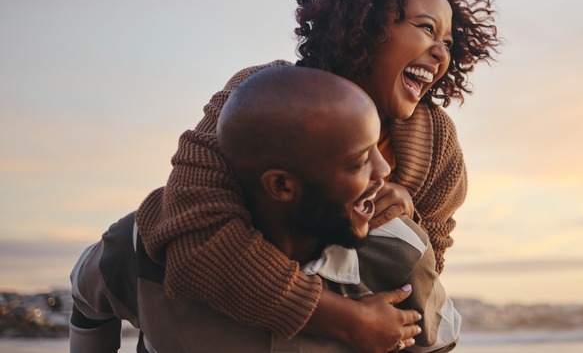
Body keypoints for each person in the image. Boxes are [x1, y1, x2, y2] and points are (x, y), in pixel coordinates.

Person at [135, 0, 498, 352]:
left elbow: (424, 278)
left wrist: (409, 223)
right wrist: (344, 320)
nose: (441, 53)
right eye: (425, 28)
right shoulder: (260, 97)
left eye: (449, 41)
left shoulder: (436, 142)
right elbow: (195, 238)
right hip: (215, 326)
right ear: (365, 22)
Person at [70, 66, 460, 352]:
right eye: (359, 161)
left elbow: (438, 343)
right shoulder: (146, 244)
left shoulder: (400, 254)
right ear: (281, 185)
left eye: (380, 146)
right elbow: (87, 298)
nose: (386, 170)